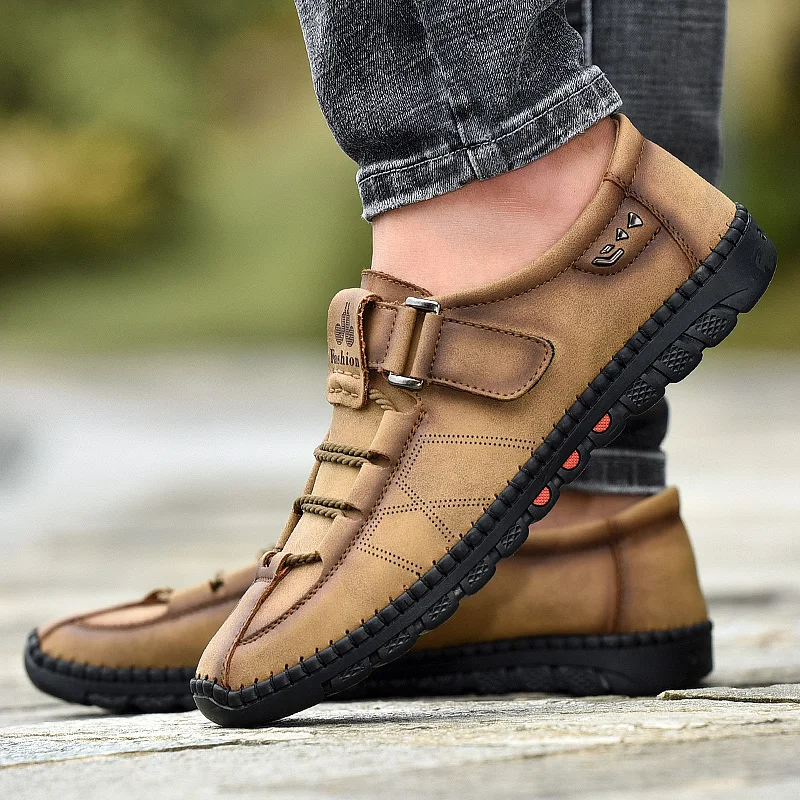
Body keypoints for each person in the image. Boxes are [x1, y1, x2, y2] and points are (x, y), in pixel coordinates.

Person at [25, 1, 775, 725]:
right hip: (590, 536)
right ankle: (577, 520)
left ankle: (501, 182)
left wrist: (474, 132)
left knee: (491, 144)